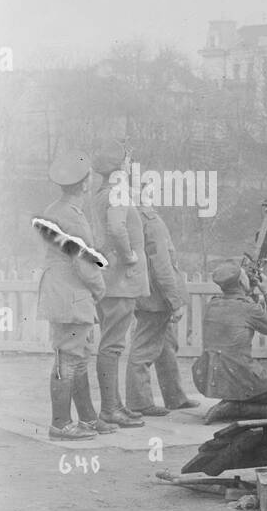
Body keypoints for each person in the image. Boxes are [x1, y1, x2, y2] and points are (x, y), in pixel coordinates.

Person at [36, 151, 107, 440]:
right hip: (72, 295)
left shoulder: (57, 209)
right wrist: (100, 289)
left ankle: (87, 419)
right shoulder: (73, 218)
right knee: (68, 358)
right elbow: (84, 262)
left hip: (62, 292)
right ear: (85, 184)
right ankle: (62, 424)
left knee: (78, 356)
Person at [89, 140, 149, 428]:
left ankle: (115, 406)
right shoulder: (117, 193)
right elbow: (116, 228)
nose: (128, 165)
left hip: (107, 280)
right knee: (112, 346)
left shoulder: (100, 194)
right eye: (126, 161)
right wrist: (129, 256)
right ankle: (110, 409)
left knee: (110, 344)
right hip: (120, 281)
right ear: (118, 166)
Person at [193, 262, 267, 422]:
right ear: (242, 283)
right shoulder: (248, 309)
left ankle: (231, 403)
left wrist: (248, 292)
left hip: (212, 375)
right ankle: (235, 408)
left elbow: (237, 309)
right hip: (241, 374)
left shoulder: (213, 304)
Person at [127, 205, 198, 415]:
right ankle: (140, 403)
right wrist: (174, 301)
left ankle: (174, 397)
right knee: (144, 349)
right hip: (157, 296)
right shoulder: (150, 221)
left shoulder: (135, 217)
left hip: (148, 292)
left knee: (166, 345)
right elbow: (162, 265)